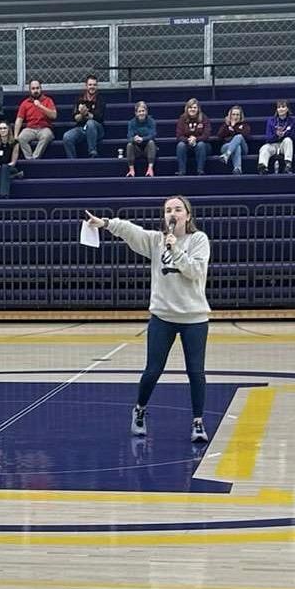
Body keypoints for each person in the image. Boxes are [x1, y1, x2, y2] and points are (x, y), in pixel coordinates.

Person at [85, 195, 211, 444]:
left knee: (196, 371)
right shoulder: (156, 241)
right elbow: (131, 231)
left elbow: (195, 271)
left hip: (194, 317)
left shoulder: (199, 240)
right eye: (167, 210)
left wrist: (175, 249)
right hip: (163, 316)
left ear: (188, 214)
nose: (172, 213)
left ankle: (198, 422)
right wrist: (106, 223)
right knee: (153, 370)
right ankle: (140, 410)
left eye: (177, 209)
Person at [62, 74, 105, 158]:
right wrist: (81, 114)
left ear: (97, 86)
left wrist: (86, 113)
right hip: (82, 128)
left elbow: (99, 117)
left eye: (94, 85)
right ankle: (72, 162)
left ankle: (92, 152)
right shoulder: (79, 99)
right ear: (86, 86)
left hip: (97, 129)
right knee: (67, 136)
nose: (92, 87)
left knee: (90, 123)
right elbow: (75, 118)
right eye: (90, 85)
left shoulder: (101, 100)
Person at [14, 79, 57, 159]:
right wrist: (15, 135)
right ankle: (29, 158)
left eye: (37, 88)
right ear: (30, 90)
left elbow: (54, 115)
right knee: (21, 138)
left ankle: (35, 158)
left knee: (46, 136)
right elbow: (19, 119)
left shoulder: (48, 100)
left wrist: (40, 106)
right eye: (33, 89)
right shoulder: (25, 103)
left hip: (44, 128)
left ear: (41, 89)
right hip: (30, 129)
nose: (36, 90)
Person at [258, 100, 295, 174]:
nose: (281, 109)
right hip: (273, 144)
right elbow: (268, 137)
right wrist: (276, 134)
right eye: (279, 107)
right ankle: (263, 167)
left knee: (288, 140)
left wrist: (284, 134)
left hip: (283, 145)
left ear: (287, 109)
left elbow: (292, 135)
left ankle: (288, 164)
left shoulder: (292, 121)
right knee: (264, 148)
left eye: (283, 107)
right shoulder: (271, 120)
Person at [175, 98, 211, 175]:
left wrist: (196, 139)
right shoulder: (182, 118)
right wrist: (188, 140)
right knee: (180, 145)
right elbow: (179, 135)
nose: (192, 109)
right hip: (187, 144)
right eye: (190, 107)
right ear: (187, 109)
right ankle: (182, 171)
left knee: (200, 145)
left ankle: (200, 170)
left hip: (203, 145)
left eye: (195, 107)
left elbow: (206, 134)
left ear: (198, 109)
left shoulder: (204, 118)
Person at [126, 100, 157, 177]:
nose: (141, 113)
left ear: (146, 112)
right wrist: (134, 139)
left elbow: (153, 135)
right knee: (129, 145)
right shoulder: (131, 122)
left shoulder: (151, 121)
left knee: (151, 142)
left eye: (143, 111)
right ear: (136, 113)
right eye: (139, 111)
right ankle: (131, 170)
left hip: (148, 148)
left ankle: (150, 169)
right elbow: (129, 137)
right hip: (137, 149)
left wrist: (142, 139)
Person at [216, 105, 250, 175]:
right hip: (226, 146)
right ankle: (237, 169)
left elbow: (245, 135)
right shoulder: (225, 125)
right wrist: (229, 126)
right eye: (233, 114)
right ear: (230, 116)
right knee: (237, 147)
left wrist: (233, 128)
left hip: (243, 148)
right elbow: (219, 136)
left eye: (237, 115)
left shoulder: (245, 125)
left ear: (241, 116)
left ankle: (226, 155)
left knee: (239, 137)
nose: (235, 117)